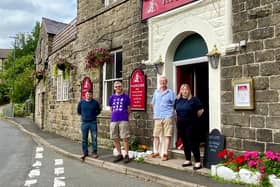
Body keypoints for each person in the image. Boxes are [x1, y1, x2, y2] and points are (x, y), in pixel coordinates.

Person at [174, 84, 204, 170]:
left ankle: (198, 162)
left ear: (189, 90)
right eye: (182, 89)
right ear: (180, 91)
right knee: (185, 142)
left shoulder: (194, 100)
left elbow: (201, 110)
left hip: (191, 125)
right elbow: (176, 111)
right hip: (181, 124)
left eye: (186, 89)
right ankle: (188, 160)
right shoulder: (177, 100)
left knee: (193, 143)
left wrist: (193, 118)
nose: (184, 91)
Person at [151, 76, 176, 161]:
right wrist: (154, 112)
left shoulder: (171, 93)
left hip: (167, 116)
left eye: (164, 81)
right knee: (156, 135)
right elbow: (153, 103)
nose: (162, 82)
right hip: (157, 116)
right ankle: (156, 151)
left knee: (167, 135)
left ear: (166, 82)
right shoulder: (156, 92)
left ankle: (165, 153)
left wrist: (174, 115)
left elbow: (174, 105)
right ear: (159, 82)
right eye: (161, 81)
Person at [109, 81, 131, 163]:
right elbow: (111, 109)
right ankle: (119, 154)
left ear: (122, 87)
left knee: (124, 137)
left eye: (119, 86)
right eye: (116, 86)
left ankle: (126, 155)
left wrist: (125, 117)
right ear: (114, 88)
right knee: (115, 137)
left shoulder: (126, 97)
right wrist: (114, 116)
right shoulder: (111, 97)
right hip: (114, 120)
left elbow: (129, 109)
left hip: (123, 120)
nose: (118, 88)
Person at [77, 90, 101, 160]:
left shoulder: (95, 103)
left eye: (90, 94)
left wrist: (93, 115)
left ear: (92, 95)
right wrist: (84, 116)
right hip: (84, 123)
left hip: (93, 122)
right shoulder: (81, 102)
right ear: (85, 95)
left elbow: (98, 111)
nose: (88, 96)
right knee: (84, 139)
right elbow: (79, 111)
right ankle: (85, 152)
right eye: (87, 94)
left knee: (94, 138)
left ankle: (94, 152)